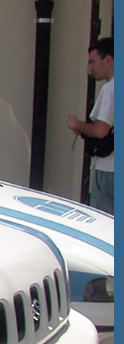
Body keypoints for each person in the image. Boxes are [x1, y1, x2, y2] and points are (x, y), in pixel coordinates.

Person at [67, 37, 114, 214]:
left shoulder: (111, 89)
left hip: (110, 169)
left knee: (104, 222)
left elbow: (101, 130)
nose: (90, 68)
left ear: (108, 60)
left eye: (92, 62)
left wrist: (78, 124)